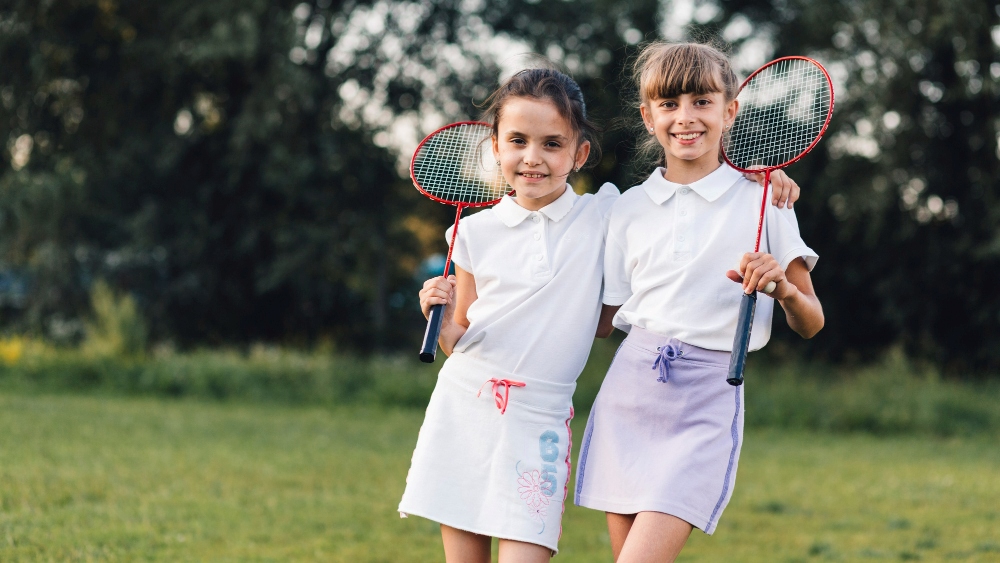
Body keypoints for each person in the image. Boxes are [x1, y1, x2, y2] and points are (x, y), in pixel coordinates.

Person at [573, 42, 825, 563]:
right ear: (648, 117)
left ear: (729, 110)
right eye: (668, 104)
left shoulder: (765, 199)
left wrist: (782, 290)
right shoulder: (628, 208)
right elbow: (599, 322)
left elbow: (812, 321)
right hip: (630, 392)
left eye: (701, 101)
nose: (685, 117)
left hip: (707, 398)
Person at [398, 67, 615, 562]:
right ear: (495, 146)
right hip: (466, 405)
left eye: (552, 144)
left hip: (538, 416)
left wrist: (767, 184)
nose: (532, 157)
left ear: (579, 154)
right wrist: (440, 314)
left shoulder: (601, 216)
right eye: (517, 140)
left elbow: (675, 192)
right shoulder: (473, 233)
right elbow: (459, 337)